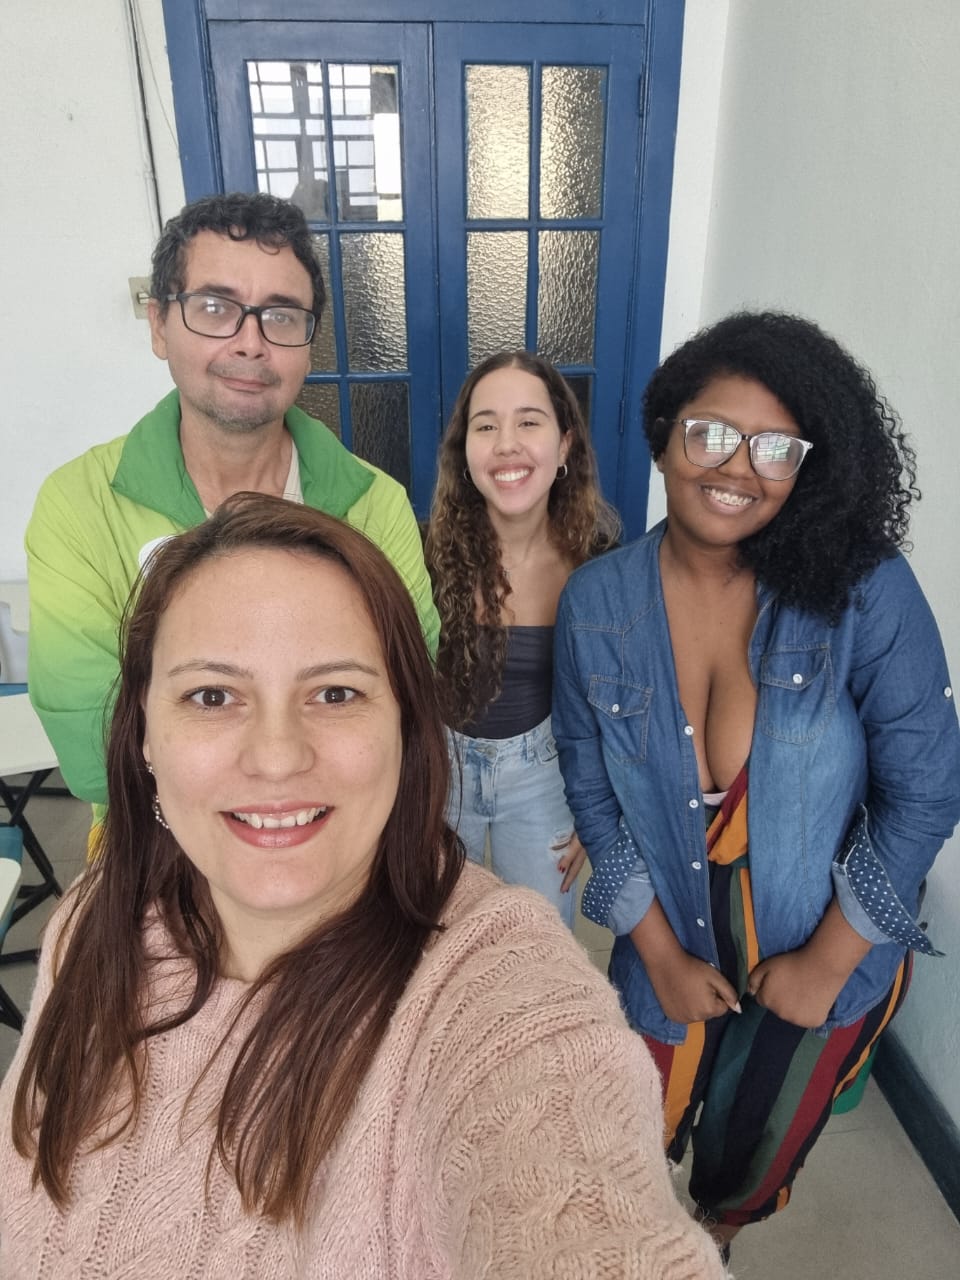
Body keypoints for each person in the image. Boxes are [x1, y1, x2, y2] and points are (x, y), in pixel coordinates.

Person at [0, 495, 724, 1280]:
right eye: (212, 696)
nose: (277, 757)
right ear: (144, 733)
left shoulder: (490, 989)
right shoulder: (91, 921)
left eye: (336, 693)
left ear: (407, 730)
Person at [553, 311, 960, 1258]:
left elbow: (927, 789)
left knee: (748, 1158)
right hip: (665, 937)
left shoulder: (862, 590)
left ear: (805, 467)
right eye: (710, 433)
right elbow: (592, 790)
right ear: (663, 436)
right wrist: (657, 955)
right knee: (626, 1140)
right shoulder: (596, 602)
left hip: (824, 948)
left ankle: (714, 1244)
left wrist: (827, 964)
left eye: (776, 447)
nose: (737, 467)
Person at [26, 191, 438, 811]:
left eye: (281, 315)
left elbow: (408, 701)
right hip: (153, 842)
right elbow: (92, 750)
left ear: (308, 344)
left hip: (336, 831)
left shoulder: (374, 503)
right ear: (159, 324)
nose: (250, 343)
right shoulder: (80, 506)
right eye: (216, 308)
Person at [424, 352, 619, 926]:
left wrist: (597, 809)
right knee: (432, 939)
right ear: (465, 452)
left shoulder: (599, 564)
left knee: (539, 938)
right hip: (438, 774)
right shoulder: (422, 554)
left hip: (545, 778)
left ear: (564, 446)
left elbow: (617, 700)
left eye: (529, 422)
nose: (506, 444)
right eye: (486, 426)